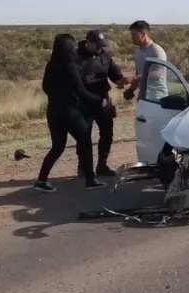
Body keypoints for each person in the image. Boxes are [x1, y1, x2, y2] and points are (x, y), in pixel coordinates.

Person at [34, 34, 106, 192]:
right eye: (72, 45)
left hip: (53, 112)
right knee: (85, 142)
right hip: (70, 112)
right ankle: (90, 180)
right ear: (68, 47)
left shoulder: (50, 65)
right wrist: (98, 100)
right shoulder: (70, 66)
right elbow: (80, 90)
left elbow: (45, 88)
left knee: (57, 147)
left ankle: (41, 180)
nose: (75, 48)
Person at [76, 29, 127, 177]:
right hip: (83, 102)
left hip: (103, 101)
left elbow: (116, 76)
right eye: (96, 44)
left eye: (101, 44)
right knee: (83, 136)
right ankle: (84, 167)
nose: (99, 47)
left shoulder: (105, 55)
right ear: (88, 43)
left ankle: (102, 166)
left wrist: (124, 81)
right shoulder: (76, 57)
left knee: (107, 134)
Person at [125, 20, 168, 102]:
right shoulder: (138, 52)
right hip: (143, 98)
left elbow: (159, 73)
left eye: (133, 34)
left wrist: (135, 78)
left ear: (143, 34)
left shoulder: (156, 51)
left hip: (157, 99)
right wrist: (131, 90)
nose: (132, 37)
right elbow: (139, 75)